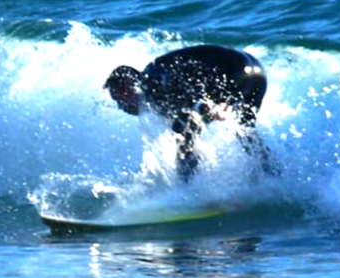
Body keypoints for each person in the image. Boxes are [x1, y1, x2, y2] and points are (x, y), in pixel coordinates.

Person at [103, 44, 269, 181]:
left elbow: (183, 94)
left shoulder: (150, 82)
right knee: (246, 132)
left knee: (185, 127)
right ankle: (273, 177)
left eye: (120, 99)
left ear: (128, 87)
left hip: (233, 71)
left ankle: (186, 188)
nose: (122, 107)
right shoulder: (155, 78)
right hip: (255, 73)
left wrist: (206, 107)